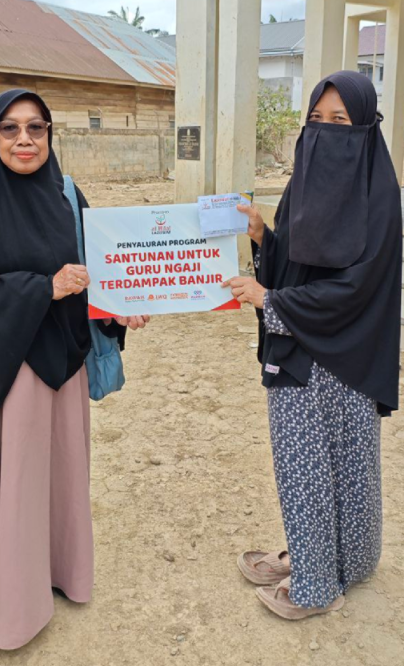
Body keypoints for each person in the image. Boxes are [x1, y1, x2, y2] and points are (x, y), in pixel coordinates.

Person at [0, 89, 147, 650]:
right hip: (8, 373)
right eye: (10, 129)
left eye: (36, 128)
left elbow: (95, 268)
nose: (24, 140)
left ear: (51, 133)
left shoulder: (66, 193)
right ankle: (16, 611)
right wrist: (42, 288)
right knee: (18, 488)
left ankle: (63, 575)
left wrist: (118, 306)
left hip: (65, 362)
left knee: (61, 477)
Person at [225, 71, 401, 620]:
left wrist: (269, 302)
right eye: (316, 121)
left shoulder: (382, 198)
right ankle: (327, 558)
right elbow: (297, 268)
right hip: (302, 349)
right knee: (313, 470)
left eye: (340, 122)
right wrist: (263, 238)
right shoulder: (304, 186)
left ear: (366, 128)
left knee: (335, 467)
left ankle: (319, 583)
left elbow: (356, 287)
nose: (325, 132)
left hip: (345, 355)